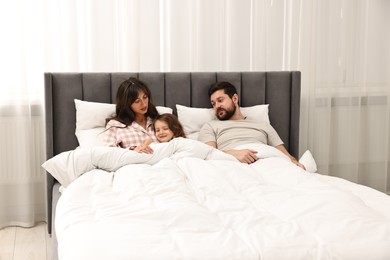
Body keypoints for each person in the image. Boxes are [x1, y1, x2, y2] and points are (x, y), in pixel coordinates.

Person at [198, 81, 305, 169]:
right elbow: (209, 154)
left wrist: (296, 164)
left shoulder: (263, 125)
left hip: (267, 164)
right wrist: (233, 154)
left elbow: (285, 155)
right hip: (232, 166)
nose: (217, 106)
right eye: (213, 104)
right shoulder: (210, 126)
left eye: (220, 100)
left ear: (235, 99)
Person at [103, 77, 159, 154]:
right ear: (126, 103)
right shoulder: (115, 125)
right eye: (137, 101)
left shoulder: (158, 120)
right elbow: (108, 152)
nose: (144, 104)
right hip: (134, 164)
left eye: (145, 97)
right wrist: (132, 150)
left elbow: (176, 141)